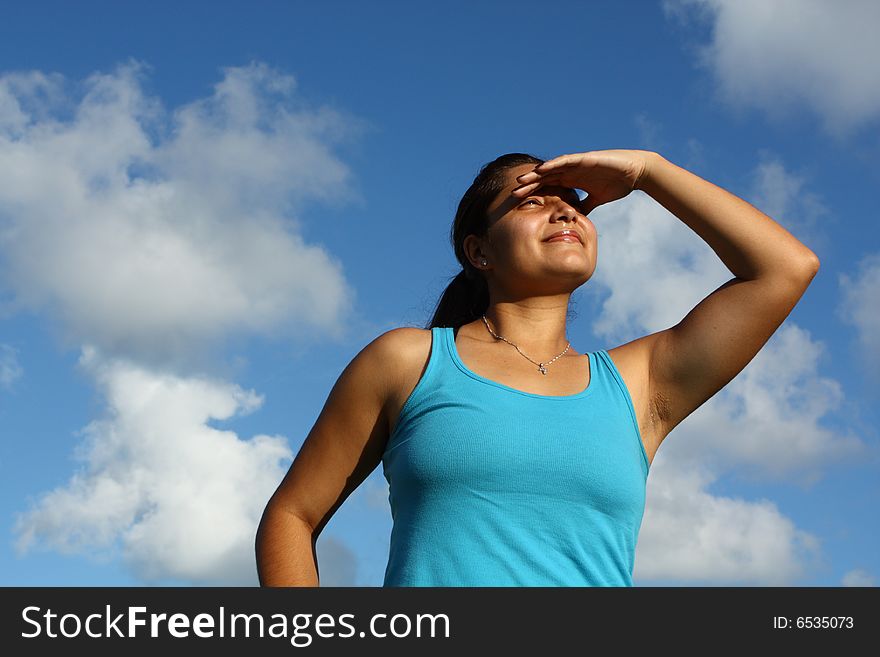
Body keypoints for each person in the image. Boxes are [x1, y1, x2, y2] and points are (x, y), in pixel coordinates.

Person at [255, 149, 820, 586]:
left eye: (571, 200)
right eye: (530, 199)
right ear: (480, 252)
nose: (564, 209)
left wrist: (648, 171)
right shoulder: (409, 360)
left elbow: (784, 268)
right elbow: (292, 516)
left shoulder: (638, 384)